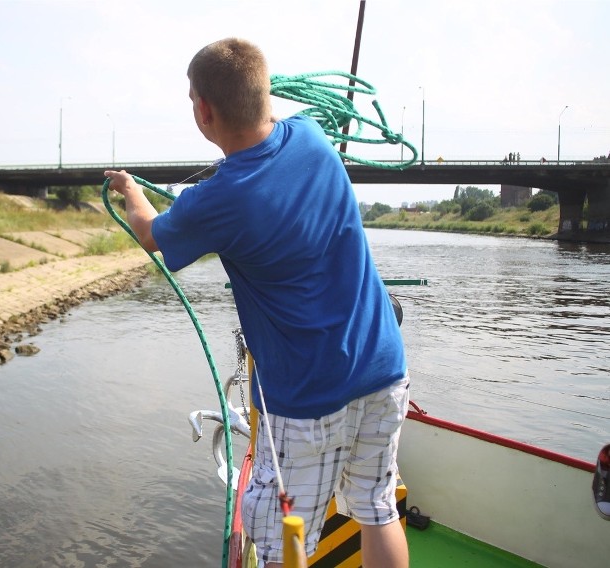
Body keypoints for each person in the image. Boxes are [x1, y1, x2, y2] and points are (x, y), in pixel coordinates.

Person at [104, 38, 409, 568]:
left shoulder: (219, 199)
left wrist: (130, 189)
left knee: (277, 546)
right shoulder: (312, 137)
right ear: (266, 94)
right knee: (378, 510)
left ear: (203, 111)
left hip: (306, 398)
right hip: (384, 367)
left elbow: (151, 233)